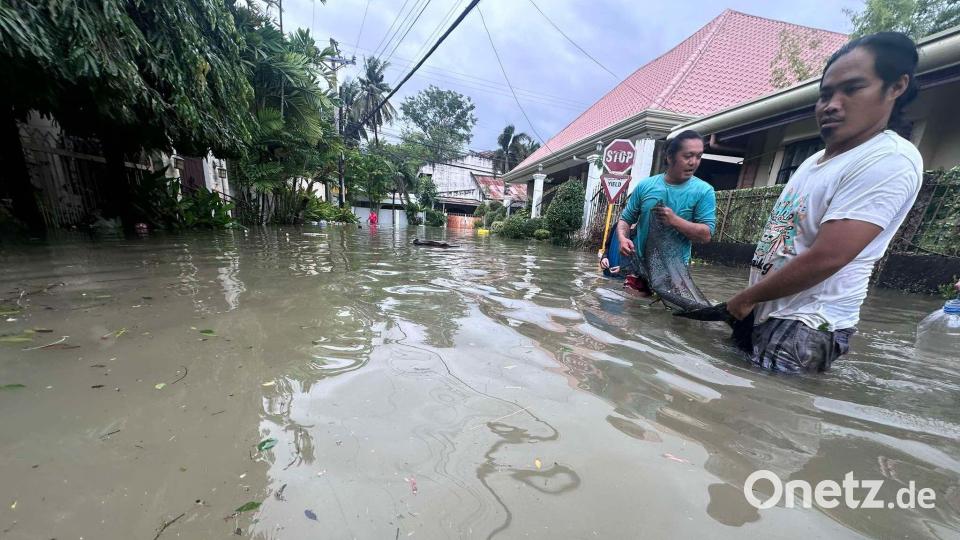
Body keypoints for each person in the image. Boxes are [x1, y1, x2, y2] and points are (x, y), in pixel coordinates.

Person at [725, 32, 922, 374]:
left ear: (896, 88)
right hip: (766, 312)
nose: (832, 104)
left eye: (852, 89)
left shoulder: (888, 160)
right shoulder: (815, 160)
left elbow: (829, 256)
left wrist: (745, 299)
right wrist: (752, 301)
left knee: (762, 422)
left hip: (805, 327)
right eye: (826, 94)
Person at [617, 130, 717, 295]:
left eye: (698, 156)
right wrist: (622, 238)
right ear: (670, 157)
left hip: (675, 273)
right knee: (631, 315)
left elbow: (706, 235)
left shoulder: (704, 191)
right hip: (639, 267)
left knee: (668, 318)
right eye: (688, 156)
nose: (694, 162)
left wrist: (675, 221)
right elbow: (625, 220)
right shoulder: (645, 186)